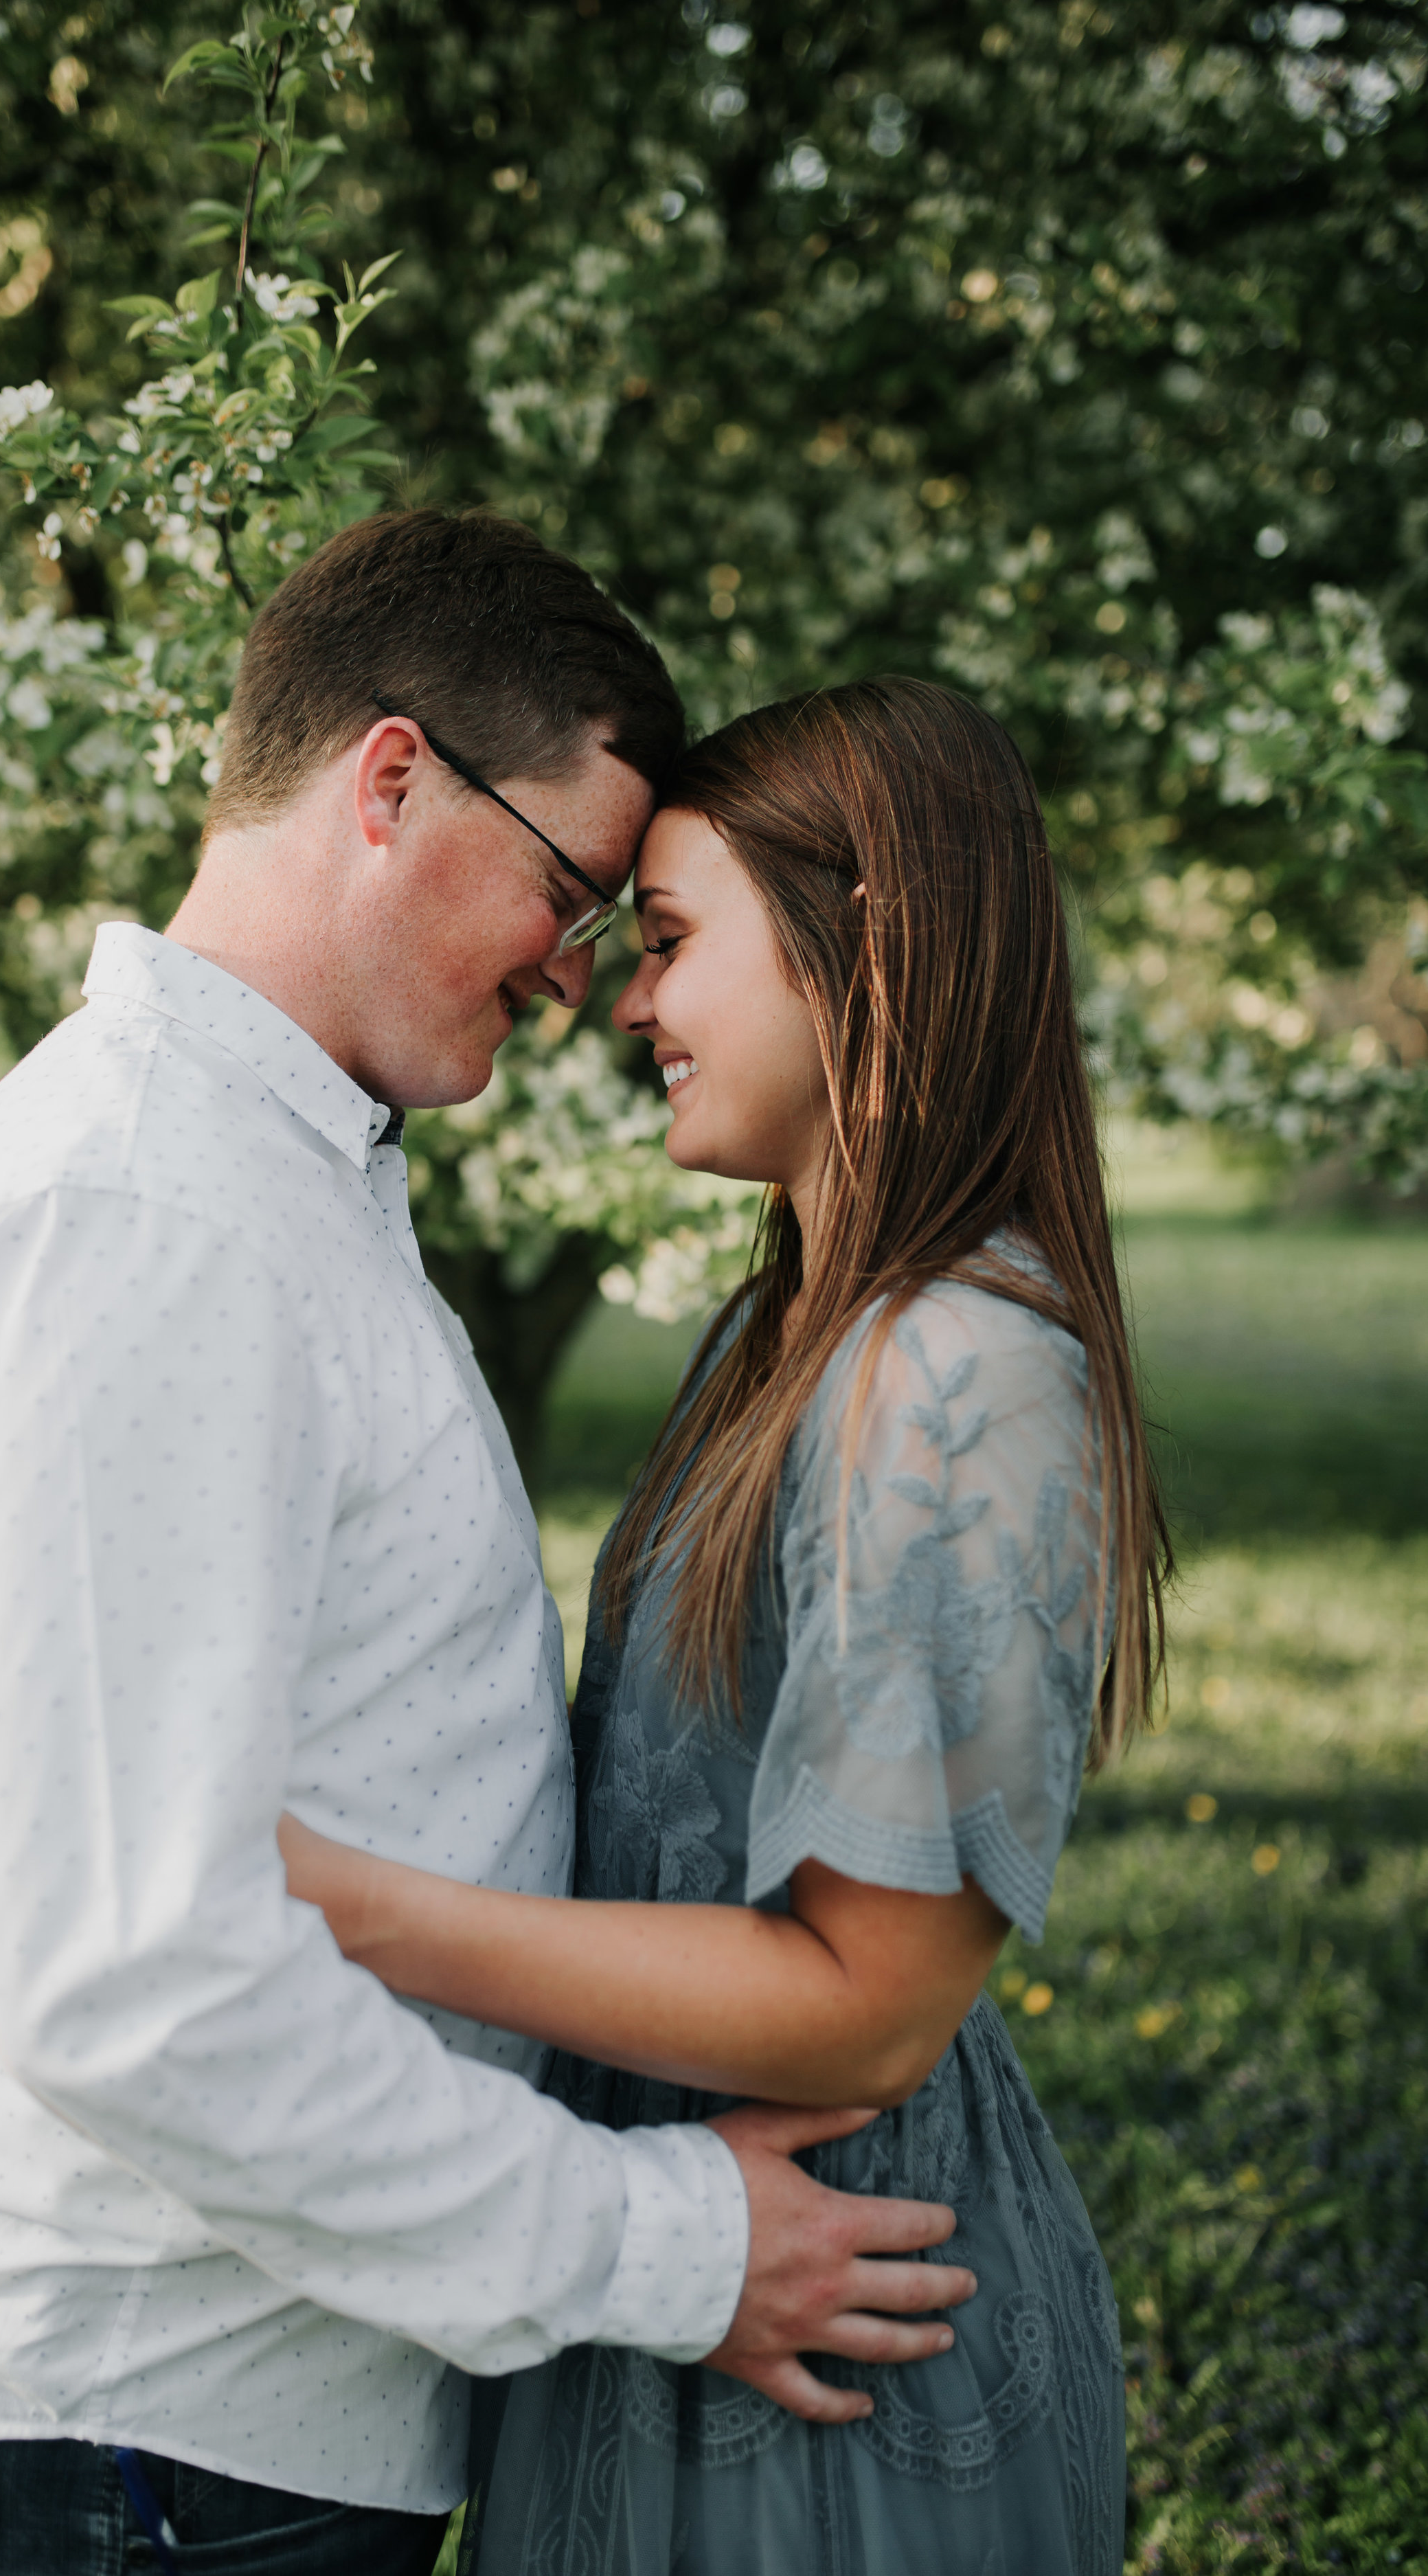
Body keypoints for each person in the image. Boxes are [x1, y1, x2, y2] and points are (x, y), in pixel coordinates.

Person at [0, 516, 977, 2576]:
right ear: (394, 778)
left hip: (202, 2435)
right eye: (566, 890)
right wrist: (670, 2246)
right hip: (109, 2447)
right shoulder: (136, 1215)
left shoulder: (260, 1170)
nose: (577, 975)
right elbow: (130, 1978)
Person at [276, 675, 1173, 2575]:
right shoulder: (787, 1334)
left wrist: (322, 1895)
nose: (622, 1006)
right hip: (677, 2267)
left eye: (670, 944)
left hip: (842, 2346)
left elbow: (863, 2006)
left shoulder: (957, 1378)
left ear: (873, 943)